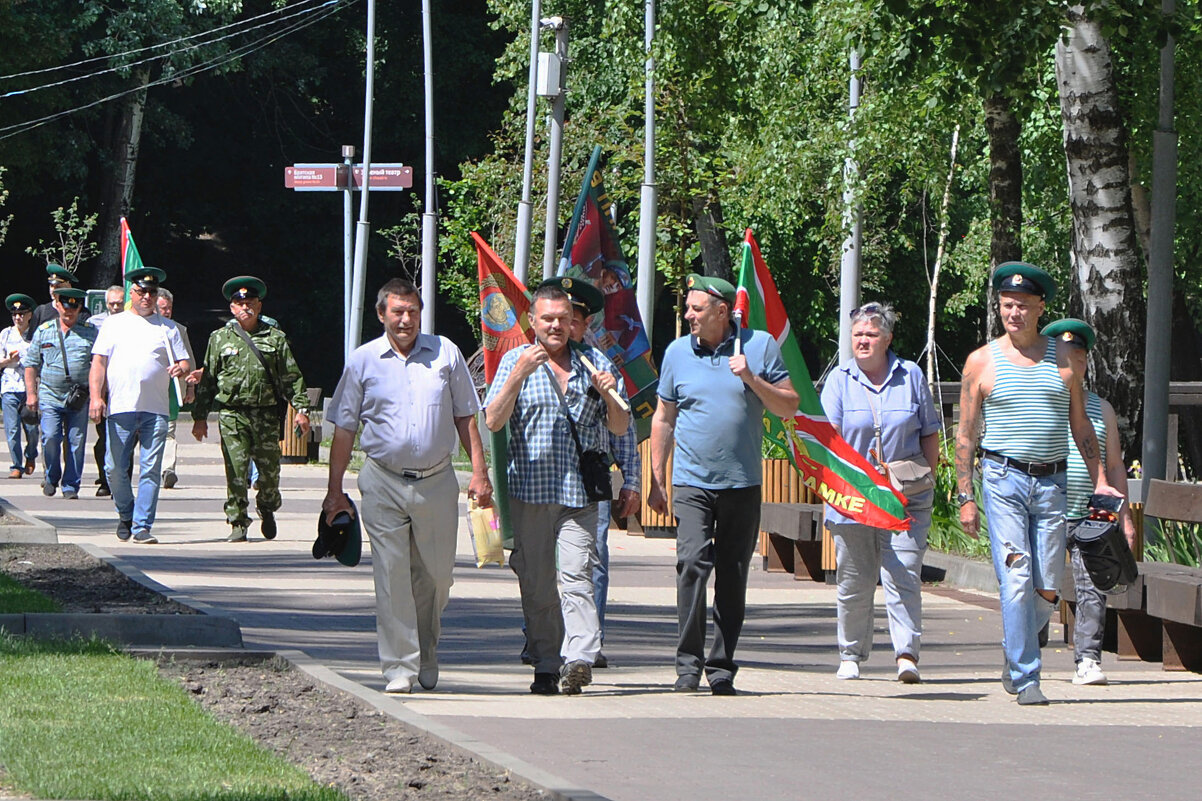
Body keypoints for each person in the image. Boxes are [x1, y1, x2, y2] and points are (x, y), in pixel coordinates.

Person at [956, 262, 1121, 706]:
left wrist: (1102, 477)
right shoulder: (981, 362)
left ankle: (1015, 651)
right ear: (999, 307)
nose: (1014, 313)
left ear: (1039, 308)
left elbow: (1081, 422)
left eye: (1023, 306)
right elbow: (966, 434)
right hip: (1002, 478)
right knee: (1016, 575)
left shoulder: (1063, 358)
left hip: (1052, 481)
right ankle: (1028, 676)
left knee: (1047, 584)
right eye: (1007, 305)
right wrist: (965, 495)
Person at [323, 278, 492, 694]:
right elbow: (344, 429)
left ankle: (426, 650)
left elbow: (466, 416)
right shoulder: (363, 361)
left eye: (413, 312)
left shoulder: (444, 354)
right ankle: (399, 666)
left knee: (435, 579)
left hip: (436, 482)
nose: (406, 320)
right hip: (382, 481)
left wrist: (479, 473)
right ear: (382, 315)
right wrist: (334, 489)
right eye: (397, 312)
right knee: (391, 575)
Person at [648, 274, 798, 696]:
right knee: (692, 565)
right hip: (692, 483)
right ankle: (687, 664)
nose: (688, 315)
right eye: (688, 308)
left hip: (742, 483)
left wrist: (752, 378)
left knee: (732, 577)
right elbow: (663, 417)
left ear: (721, 311)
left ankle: (721, 666)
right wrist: (658, 479)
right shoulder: (678, 351)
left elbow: (789, 407)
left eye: (696, 309)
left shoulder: (760, 345)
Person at [484, 280, 630, 696]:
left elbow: (620, 427)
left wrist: (610, 395)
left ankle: (580, 657)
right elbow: (493, 420)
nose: (556, 326)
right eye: (547, 318)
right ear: (532, 321)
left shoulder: (594, 361)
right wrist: (516, 376)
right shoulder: (516, 360)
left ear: (573, 323)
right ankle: (547, 664)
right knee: (538, 585)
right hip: (529, 493)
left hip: (579, 495)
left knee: (577, 576)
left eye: (563, 319)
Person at [819, 302, 941, 683]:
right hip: (854, 497)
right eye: (857, 334)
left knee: (903, 573)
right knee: (854, 579)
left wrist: (930, 480)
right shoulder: (840, 380)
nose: (863, 341)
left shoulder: (911, 375)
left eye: (871, 334)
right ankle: (851, 653)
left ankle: (907, 655)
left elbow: (929, 433)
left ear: (887, 339)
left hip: (905, 496)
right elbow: (828, 441)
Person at [552, 275, 641, 668]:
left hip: (590, 480)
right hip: (542, 478)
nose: (565, 326)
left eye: (574, 318)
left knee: (592, 560)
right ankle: (545, 637)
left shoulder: (600, 366)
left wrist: (632, 481)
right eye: (560, 316)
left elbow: (623, 428)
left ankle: (588, 644)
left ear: (586, 324)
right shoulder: (531, 361)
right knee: (540, 562)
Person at [1041, 318, 1136, 687]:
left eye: (1079, 356)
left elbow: (1114, 465)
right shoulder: (1042, 403)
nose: (1072, 363)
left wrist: (1124, 517)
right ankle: (1029, 648)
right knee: (1038, 584)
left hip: (1091, 511)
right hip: (1046, 506)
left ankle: (1088, 660)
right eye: (1065, 356)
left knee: (1092, 586)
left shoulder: (1102, 409)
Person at [192, 276, 310, 542]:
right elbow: (209, 381)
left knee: (269, 473)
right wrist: (200, 417)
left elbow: (292, 378)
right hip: (233, 414)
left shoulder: (275, 339)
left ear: (259, 305)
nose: (245, 307)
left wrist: (301, 410)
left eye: (250, 302)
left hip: (266, 414)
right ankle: (238, 521)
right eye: (239, 303)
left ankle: (267, 508)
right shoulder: (219, 339)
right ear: (232, 308)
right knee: (235, 468)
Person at [89, 267, 190, 544]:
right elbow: (99, 362)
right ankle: (126, 512)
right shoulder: (114, 324)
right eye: (141, 292)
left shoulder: (166, 327)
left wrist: (180, 369)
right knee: (113, 468)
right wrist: (96, 397)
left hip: (155, 409)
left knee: (150, 470)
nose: (147, 297)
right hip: (120, 407)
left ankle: (142, 526)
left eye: (151, 292)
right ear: (131, 293)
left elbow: (183, 361)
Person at [24, 287, 97, 499]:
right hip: (50, 395)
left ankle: (71, 485)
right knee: (50, 436)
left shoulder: (90, 331)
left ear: (79, 308)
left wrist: (96, 395)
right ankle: (51, 476)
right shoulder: (44, 330)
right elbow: (31, 365)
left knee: (76, 440)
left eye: (74, 308)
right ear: (58, 306)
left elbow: (99, 364)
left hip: (79, 397)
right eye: (65, 307)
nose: (69, 312)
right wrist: (31, 394)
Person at [88, 285, 126, 497]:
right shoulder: (94, 324)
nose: (114, 307)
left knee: (125, 437)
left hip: (123, 387)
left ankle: (122, 480)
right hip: (103, 387)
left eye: (119, 303)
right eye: (111, 303)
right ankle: (105, 479)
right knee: (103, 438)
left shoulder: (133, 323)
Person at [155, 288, 195, 489]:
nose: (167, 311)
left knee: (169, 431)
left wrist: (190, 388)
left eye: (169, 308)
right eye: (163, 308)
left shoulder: (178, 330)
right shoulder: (143, 328)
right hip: (148, 389)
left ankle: (168, 469)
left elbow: (188, 360)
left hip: (171, 388)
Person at [0, 294, 38, 479]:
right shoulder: (6, 334)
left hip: (30, 388)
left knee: (31, 429)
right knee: (12, 429)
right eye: (15, 314)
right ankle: (16, 465)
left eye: (22, 314)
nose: (18, 318)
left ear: (30, 314)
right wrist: (9, 360)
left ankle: (31, 455)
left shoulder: (36, 335)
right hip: (9, 387)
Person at [31, 264, 90, 329]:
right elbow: (32, 338)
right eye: (51, 286)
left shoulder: (82, 313)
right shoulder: (41, 312)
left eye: (58, 287)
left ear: (69, 286)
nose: (53, 290)